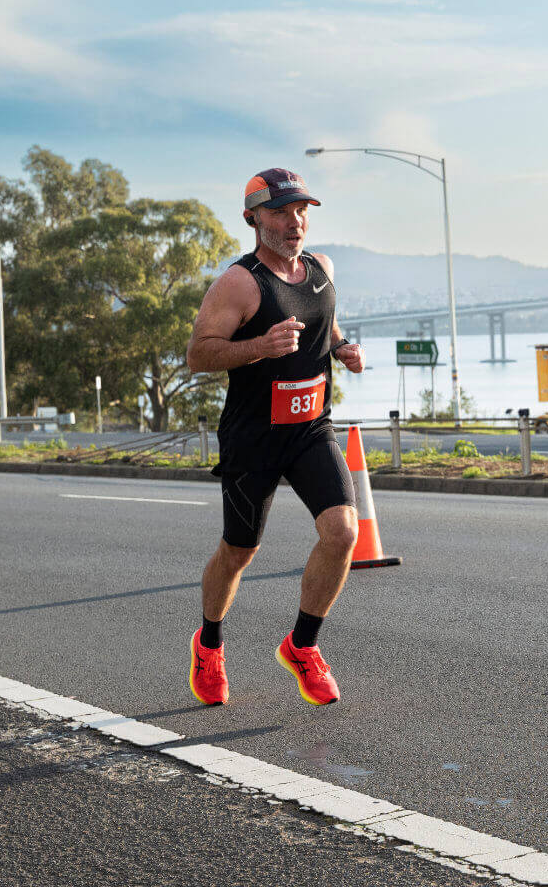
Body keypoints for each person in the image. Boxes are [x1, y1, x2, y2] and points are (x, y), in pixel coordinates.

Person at [185, 167, 367, 707]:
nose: (296, 221)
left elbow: (323, 321)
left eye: (302, 210)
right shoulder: (239, 284)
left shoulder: (322, 269)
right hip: (253, 438)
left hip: (310, 428)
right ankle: (210, 643)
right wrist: (259, 347)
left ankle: (302, 646)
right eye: (282, 211)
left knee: (343, 532)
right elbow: (199, 355)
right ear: (254, 218)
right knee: (239, 552)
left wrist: (340, 348)